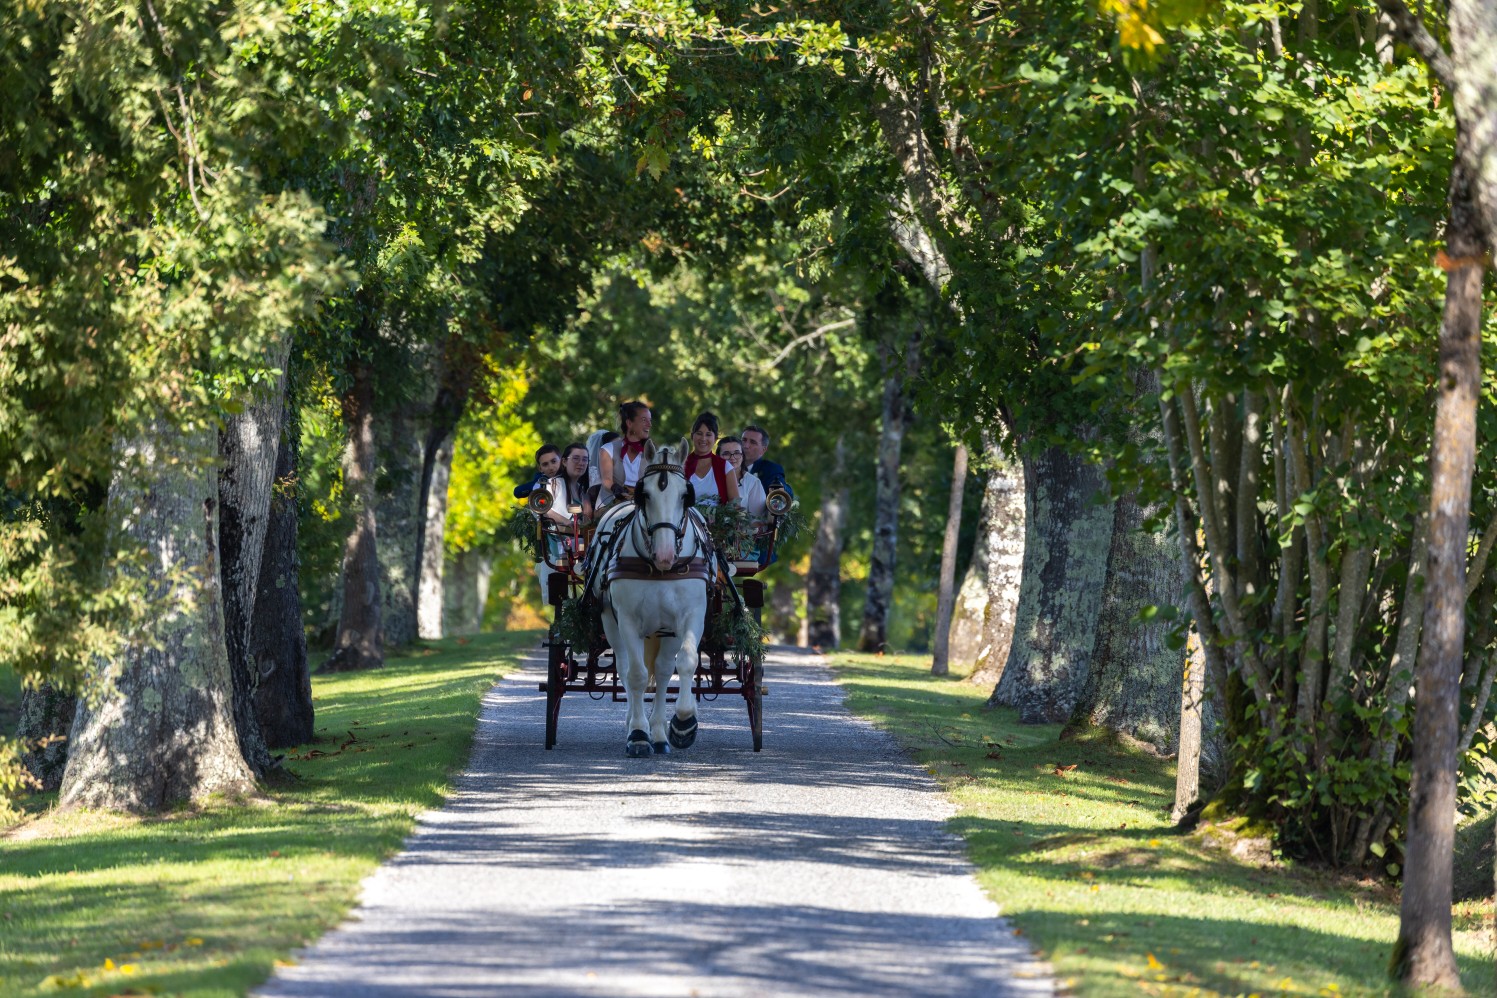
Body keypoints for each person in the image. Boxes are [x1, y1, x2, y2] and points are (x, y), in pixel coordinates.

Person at [535, 443, 592, 599]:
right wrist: (566, 522)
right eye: (576, 459)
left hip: (579, 540)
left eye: (585, 460)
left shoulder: (582, 490)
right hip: (560, 541)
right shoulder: (553, 484)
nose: (581, 463)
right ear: (565, 462)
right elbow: (543, 509)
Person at [598, 401, 654, 509]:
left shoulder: (650, 452)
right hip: (611, 503)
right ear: (629, 423)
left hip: (640, 506)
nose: (649, 424)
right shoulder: (608, 449)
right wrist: (615, 488)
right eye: (644, 420)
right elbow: (607, 480)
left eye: (650, 420)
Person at [684, 412, 739, 507]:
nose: (703, 438)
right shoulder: (681, 465)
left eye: (708, 434)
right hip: (685, 520)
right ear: (692, 436)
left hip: (718, 521)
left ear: (715, 439)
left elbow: (735, 505)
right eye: (699, 434)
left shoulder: (725, 467)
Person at [717, 436, 765, 519]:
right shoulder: (710, 478)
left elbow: (757, 518)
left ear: (742, 456)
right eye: (726, 454)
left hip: (742, 530)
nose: (732, 457)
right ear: (718, 457)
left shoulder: (753, 482)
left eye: (737, 453)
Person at [740, 425, 791, 496]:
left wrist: (780, 488)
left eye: (753, 442)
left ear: (763, 450)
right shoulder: (728, 465)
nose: (745, 445)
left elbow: (785, 492)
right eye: (744, 440)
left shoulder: (771, 469)